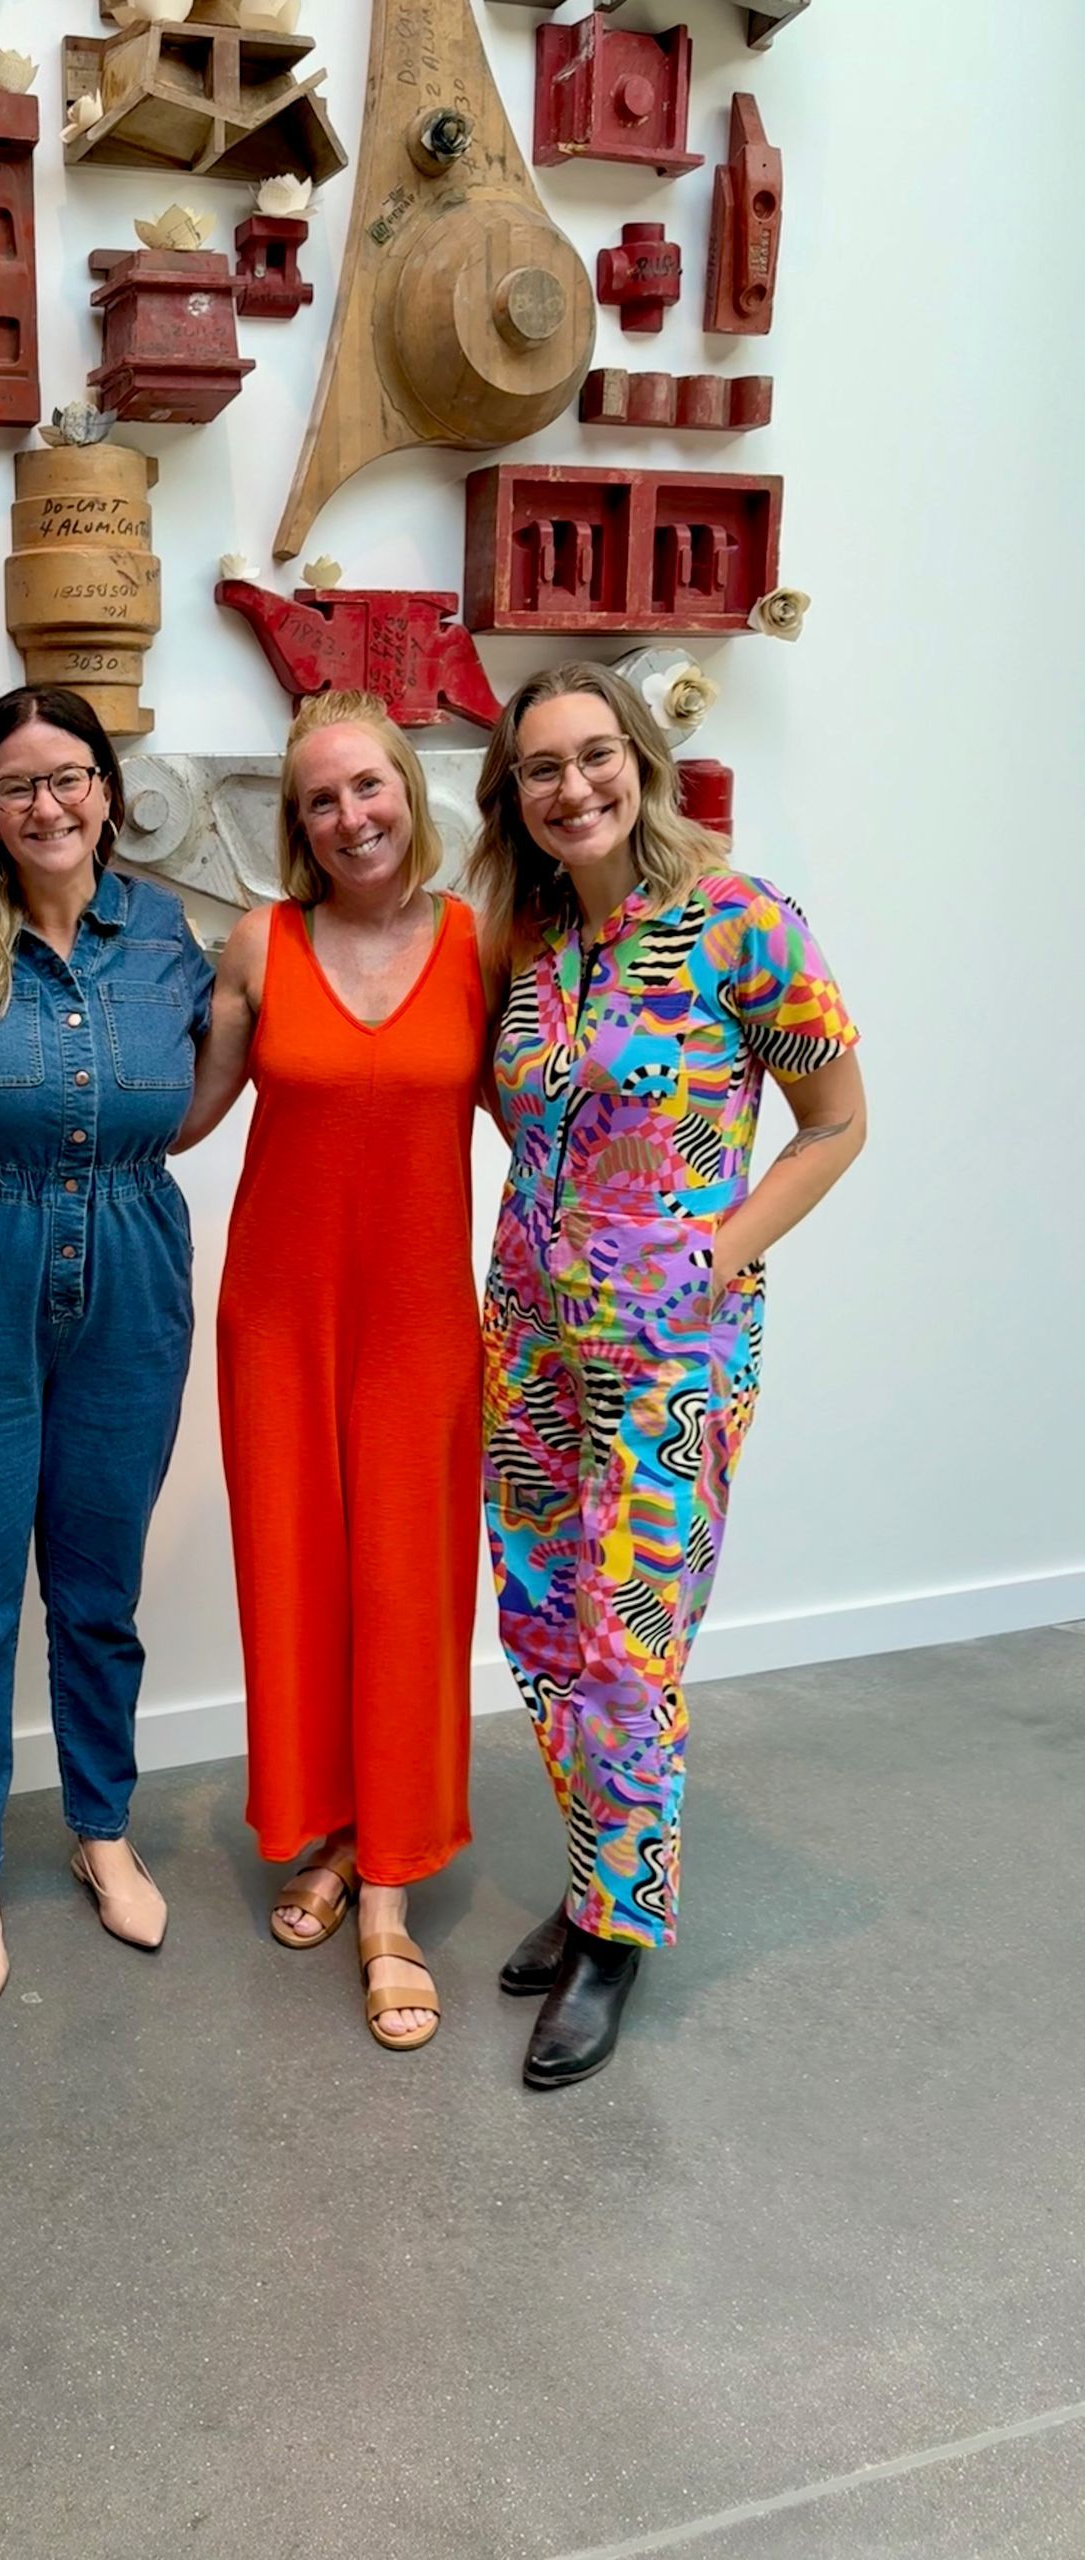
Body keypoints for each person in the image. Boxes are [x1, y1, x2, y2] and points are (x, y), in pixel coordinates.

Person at [467, 662, 866, 2090]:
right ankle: (591, 1883)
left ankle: (617, 1937)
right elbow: (513, 1120)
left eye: (594, 756)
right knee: (540, 1620)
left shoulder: (744, 924)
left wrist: (714, 1252)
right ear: (511, 795)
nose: (571, 786)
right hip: (526, 1334)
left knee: (630, 1646)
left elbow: (834, 1122)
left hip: (670, 1353)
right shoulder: (519, 944)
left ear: (642, 759)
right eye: (539, 768)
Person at [0, 687, 215, 2003]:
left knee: (98, 1589)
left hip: (131, 1274)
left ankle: (101, 1834)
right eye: (19, 786)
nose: (50, 805)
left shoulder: (166, 934)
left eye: (70, 778)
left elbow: (197, 1087)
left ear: (108, 788)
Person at [177, 692, 488, 2052]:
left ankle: (390, 1896)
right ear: (294, 826)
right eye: (320, 799)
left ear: (411, 792)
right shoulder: (262, 939)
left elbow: (556, 1111)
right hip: (282, 1320)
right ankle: (334, 1831)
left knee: (409, 1592)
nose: (350, 815)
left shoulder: (487, 943)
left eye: (368, 787)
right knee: (301, 1581)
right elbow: (183, 1115)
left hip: (423, 1323)